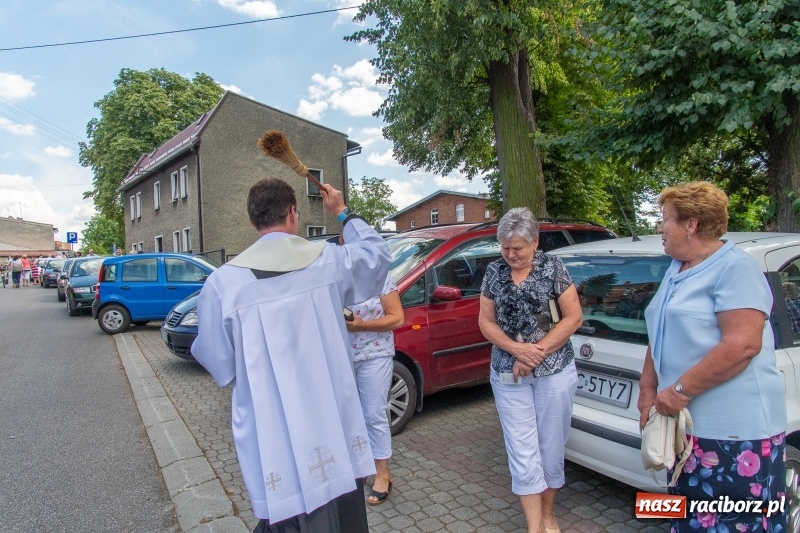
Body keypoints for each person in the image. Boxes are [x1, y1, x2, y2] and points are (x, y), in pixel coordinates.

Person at [191, 178, 391, 533]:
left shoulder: (223, 285)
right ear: (293, 214)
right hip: (330, 414)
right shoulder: (328, 261)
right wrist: (343, 212)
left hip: (273, 425)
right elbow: (376, 258)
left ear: (254, 222)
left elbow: (218, 362)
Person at [639, 181, 787, 532]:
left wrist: (677, 392)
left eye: (665, 219)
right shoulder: (677, 268)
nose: (660, 228)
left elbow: (742, 345)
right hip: (689, 431)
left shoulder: (735, 267)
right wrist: (647, 387)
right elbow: (658, 330)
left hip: (734, 436)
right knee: (691, 519)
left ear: (690, 224)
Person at [478, 207, 583, 533]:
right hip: (508, 376)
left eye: (518, 248)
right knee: (522, 452)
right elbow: (485, 321)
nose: (511, 254)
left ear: (535, 242)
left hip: (554, 372)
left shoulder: (553, 267)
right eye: (505, 247)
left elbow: (572, 318)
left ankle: (548, 513)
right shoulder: (494, 272)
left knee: (550, 446)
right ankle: (535, 526)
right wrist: (515, 349)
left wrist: (533, 353)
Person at [339, 234, 404, 506]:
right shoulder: (338, 279)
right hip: (342, 356)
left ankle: (382, 473)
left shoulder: (381, 277)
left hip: (374, 355)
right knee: (349, 416)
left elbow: (397, 318)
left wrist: (361, 326)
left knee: (374, 414)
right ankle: (358, 468)